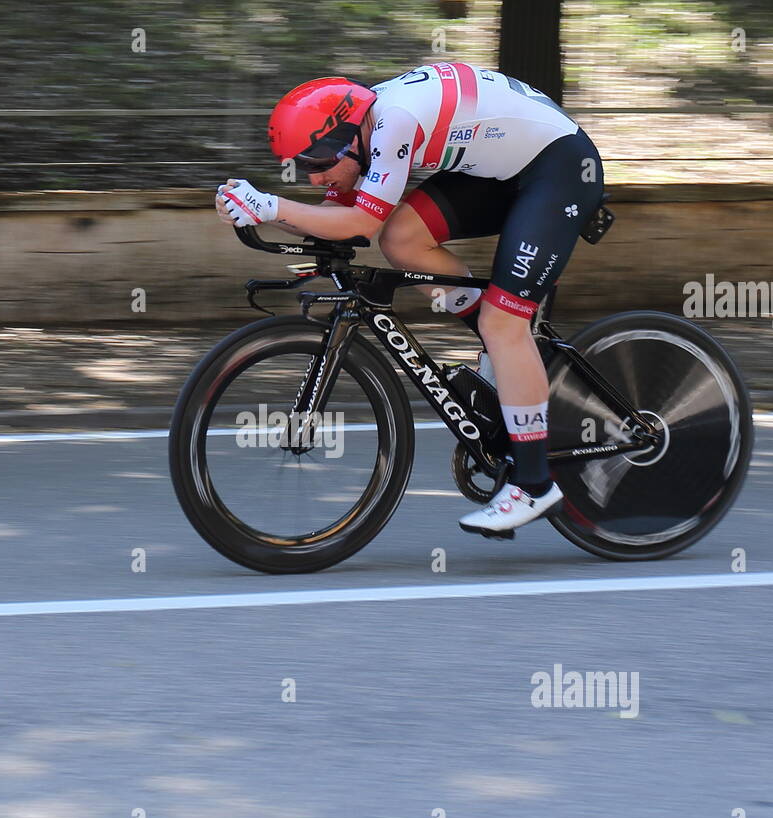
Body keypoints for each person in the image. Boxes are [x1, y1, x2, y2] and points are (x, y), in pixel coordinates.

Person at [215, 62, 604, 536]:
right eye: (305, 167)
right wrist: (258, 212)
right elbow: (340, 219)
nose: (314, 179)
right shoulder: (367, 124)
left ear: (348, 137)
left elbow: (358, 225)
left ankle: (534, 484)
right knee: (401, 239)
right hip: (503, 169)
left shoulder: (394, 121)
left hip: (558, 169)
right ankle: (510, 353)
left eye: (318, 163)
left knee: (504, 324)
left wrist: (269, 207)